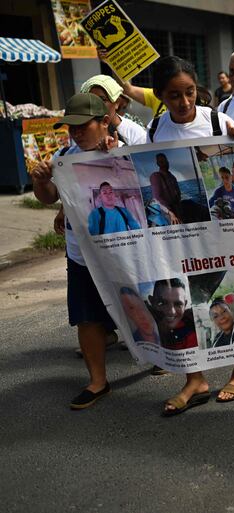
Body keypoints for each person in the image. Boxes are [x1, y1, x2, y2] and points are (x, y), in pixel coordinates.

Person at [147, 55, 234, 414]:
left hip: (222, 228)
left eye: (190, 92)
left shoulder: (216, 120)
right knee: (188, 294)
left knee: (227, 288)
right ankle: (195, 378)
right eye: (175, 95)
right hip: (183, 234)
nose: (185, 102)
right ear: (161, 95)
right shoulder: (154, 129)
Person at [30, 92, 119, 410]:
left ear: (104, 122)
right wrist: (41, 182)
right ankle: (98, 381)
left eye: (84, 126)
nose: (77, 132)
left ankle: (160, 357)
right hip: (81, 255)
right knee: (86, 318)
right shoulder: (63, 158)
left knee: (141, 308)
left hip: (121, 252)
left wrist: (115, 156)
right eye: (72, 127)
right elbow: (49, 196)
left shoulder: (121, 152)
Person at [80, 74, 146, 145]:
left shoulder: (137, 135)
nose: (96, 105)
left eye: (103, 100)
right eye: (91, 101)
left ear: (117, 103)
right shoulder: (81, 134)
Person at [148, 278, 198, 351]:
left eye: (178, 304)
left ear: (185, 305)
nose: (171, 312)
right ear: (152, 301)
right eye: (162, 303)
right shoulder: (141, 327)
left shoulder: (192, 335)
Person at [149, 153, 182, 225]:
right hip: (167, 210)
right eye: (161, 162)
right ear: (158, 164)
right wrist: (171, 213)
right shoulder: (156, 176)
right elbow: (157, 197)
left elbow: (178, 193)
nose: (164, 163)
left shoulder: (172, 177)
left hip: (177, 206)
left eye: (165, 161)